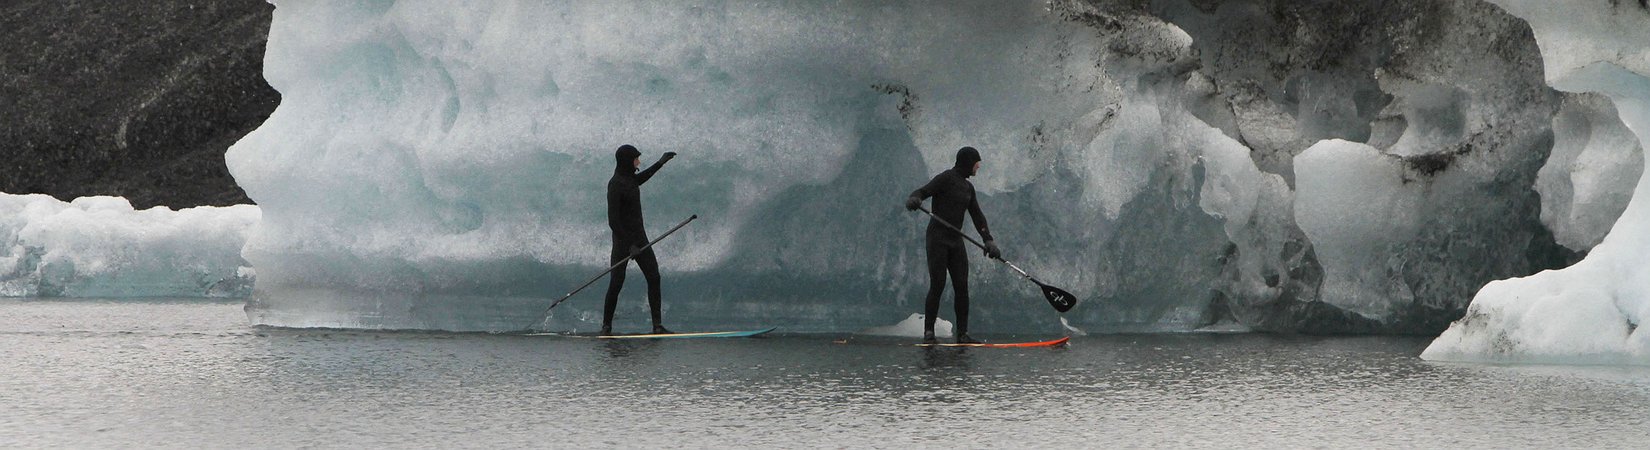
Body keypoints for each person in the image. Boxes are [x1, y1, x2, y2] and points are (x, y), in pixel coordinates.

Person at [905, 146, 1001, 344]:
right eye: (977, 163)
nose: (978, 167)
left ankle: (963, 334)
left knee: (962, 286)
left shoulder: (968, 188)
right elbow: (922, 191)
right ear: (968, 162)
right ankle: (929, 332)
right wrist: (914, 199)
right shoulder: (946, 178)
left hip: (955, 241)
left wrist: (988, 240)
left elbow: (977, 216)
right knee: (938, 284)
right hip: (937, 238)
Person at [603, 144, 677, 336]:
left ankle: (657, 326)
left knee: (654, 278)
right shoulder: (615, 184)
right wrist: (630, 246)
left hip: (640, 239)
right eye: (636, 158)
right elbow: (613, 221)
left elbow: (639, 179)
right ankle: (606, 327)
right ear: (628, 161)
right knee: (617, 282)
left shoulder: (629, 180)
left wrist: (660, 163)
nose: (639, 162)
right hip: (623, 241)